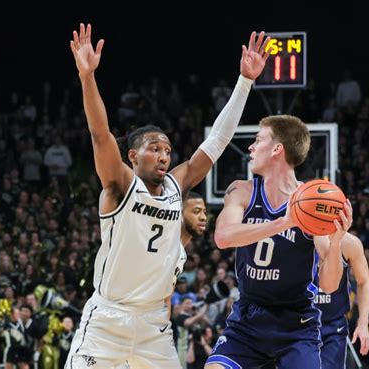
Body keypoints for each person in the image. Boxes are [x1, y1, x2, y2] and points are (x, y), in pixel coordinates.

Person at [67, 23, 270, 368]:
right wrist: (88, 77)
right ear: (132, 156)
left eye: (167, 149)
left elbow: (216, 142)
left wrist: (245, 82)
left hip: (153, 326)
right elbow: (100, 134)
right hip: (107, 321)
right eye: (154, 148)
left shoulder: (177, 186)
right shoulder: (119, 186)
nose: (164, 155)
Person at [205, 114, 353, 369]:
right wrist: (283, 223)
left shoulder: (312, 203)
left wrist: (337, 241)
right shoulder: (241, 190)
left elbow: (328, 286)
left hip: (296, 323)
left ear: (277, 149)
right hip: (248, 318)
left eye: (258, 139)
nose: (250, 147)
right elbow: (223, 237)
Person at [314, 233, 369, 369]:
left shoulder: (349, 243)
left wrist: (363, 323)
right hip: (298, 321)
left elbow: (363, 282)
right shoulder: (297, 237)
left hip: (332, 325)